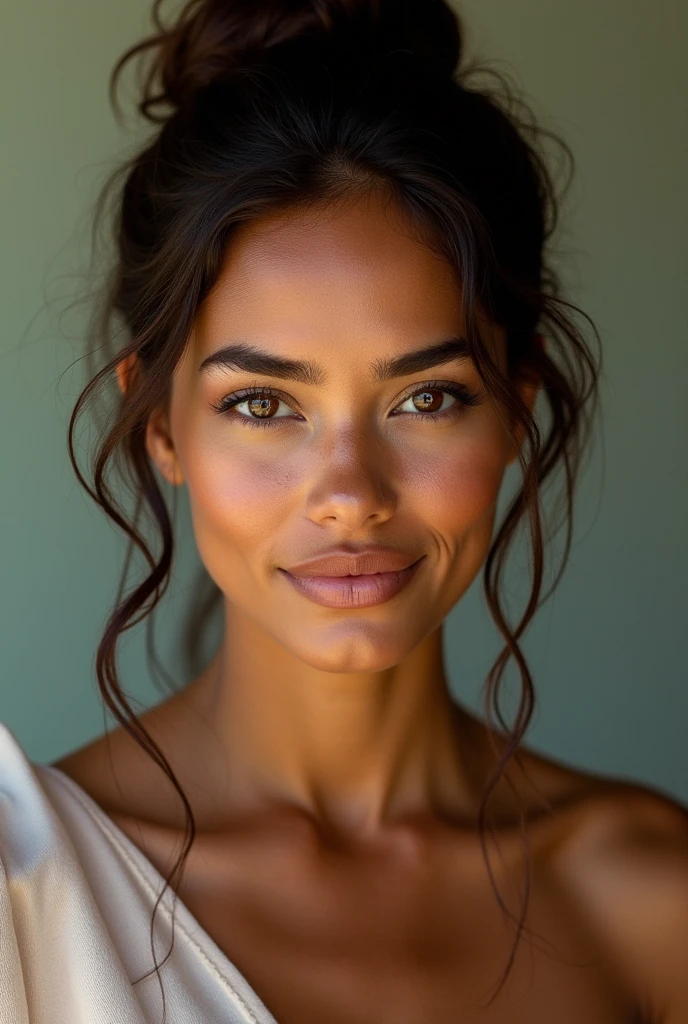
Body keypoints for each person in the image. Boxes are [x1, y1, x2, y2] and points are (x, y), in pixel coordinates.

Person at [1, 1, 686, 1022]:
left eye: (426, 396)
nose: (351, 494)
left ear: (515, 406)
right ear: (161, 426)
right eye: (263, 404)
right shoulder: (25, 896)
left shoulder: (647, 897)